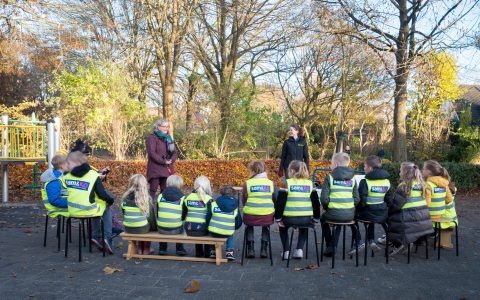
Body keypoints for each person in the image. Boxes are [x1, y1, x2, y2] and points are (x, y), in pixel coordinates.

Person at [64, 151, 116, 254]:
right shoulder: (92, 175)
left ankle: (96, 237)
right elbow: (102, 194)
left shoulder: (66, 175)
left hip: (71, 210)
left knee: (97, 207)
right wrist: (110, 200)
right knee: (105, 206)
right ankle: (107, 239)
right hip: (88, 209)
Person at [275, 160, 320, 260]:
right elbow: (316, 203)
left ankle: (286, 251)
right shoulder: (310, 184)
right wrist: (316, 218)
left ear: (291, 171)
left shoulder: (286, 183)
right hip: (305, 219)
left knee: (283, 228)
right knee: (304, 227)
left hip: (289, 218)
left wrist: (278, 218)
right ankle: (299, 250)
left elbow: (280, 203)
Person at [349, 155, 393, 255]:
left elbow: (362, 201)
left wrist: (357, 209)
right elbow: (389, 200)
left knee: (353, 218)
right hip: (382, 214)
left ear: (369, 167)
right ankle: (371, 241)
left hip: (368, 213)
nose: (364, 168)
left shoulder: (365, 181)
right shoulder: (387, 181)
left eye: (364, 166)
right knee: (371, 217)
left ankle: (359, 241)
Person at [387, 162, 434, 256]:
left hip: (408, 218)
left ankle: (399, 244)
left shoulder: (404, 186)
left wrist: (388, 211)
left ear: (405, 172)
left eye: (400, 170)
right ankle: (410, 241)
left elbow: (396, 205)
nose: (399, 172)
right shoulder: (422, 184)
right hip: (423, 218)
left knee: (391, 218)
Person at [320, 152, 360, 257]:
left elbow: (324, 199)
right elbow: (357, 198)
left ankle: (330, 245)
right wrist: (349, 206)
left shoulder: (329, 178)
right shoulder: (353, 179)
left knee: (323, 219)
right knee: (340, 218)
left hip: (332, 213)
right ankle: (331, 246)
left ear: (336, 164)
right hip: (349, 215)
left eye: (331, 163)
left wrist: (327, 208)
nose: (330, 165)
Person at [243, 160, 275, 259]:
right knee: (266, 226)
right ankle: (264, 249)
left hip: (250, 216)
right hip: (267, 216)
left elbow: (244, 201)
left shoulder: (247, 183)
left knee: (249, 225)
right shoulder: (271, 183)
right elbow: (274, 199)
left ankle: (250, 249)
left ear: (252, 170)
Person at [422, 160, 455, 248]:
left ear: (429, 172)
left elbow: (427, 204)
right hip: (440, 215)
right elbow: (449, 199)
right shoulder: (444, 183)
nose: (422, 171)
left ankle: (419, 239)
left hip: (431, 216)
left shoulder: (428, 185)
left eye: (424, 169)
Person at [121, 174, 156, 255]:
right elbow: (151, 217)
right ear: (144, 185)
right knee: (147, 224)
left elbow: (124, 213)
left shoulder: (124, 198)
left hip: (128, 227)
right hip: (142, 228)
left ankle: (140, 248)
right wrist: (154, 228)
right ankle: (146, 249)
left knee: (141, 222)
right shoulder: (146, 199)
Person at [206, 186, 242, 260]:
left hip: (214, 231)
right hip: (228, 231)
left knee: (212, 233)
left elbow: (208, 217)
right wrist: (234, 227)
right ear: (233, 194)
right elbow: (238, 220)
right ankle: (229, 252)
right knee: (230, 234)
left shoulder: (214, 203)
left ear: (221, 194)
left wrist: (208, 226)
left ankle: (213, 251)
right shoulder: (235, 206)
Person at [146, 119, 178, 199]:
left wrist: (172, 160)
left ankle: (162, 208)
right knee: (152, 190)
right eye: (164, 126)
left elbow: (174, 152)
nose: (166, 128)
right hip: (155, 169)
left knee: (165, 191)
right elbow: (152, 153)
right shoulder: (152, 138)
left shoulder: (169, 138)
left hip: (167, 168)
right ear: (158, 127)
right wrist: (163, 161)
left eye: (168, 126)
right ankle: (149, 209)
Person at [156, 174, 187, 256]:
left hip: (161, 229)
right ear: (180, 185)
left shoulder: (160, 196)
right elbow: (183, 216)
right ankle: (179, 248)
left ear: (167, 184)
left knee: (163, 219)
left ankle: (162, 248)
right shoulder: (183, 198)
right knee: (182, 222)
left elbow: (158, 213)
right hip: (176, 229)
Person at [184, 176, 213, 258]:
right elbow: (211, 216)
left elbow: (185, 212)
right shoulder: (209, 199)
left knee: (195, 223)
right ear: (207, 186)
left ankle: (199, 253)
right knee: (206, 225)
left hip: (188, 229)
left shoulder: (188, 197)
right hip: (202, 229)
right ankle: (208, 252)